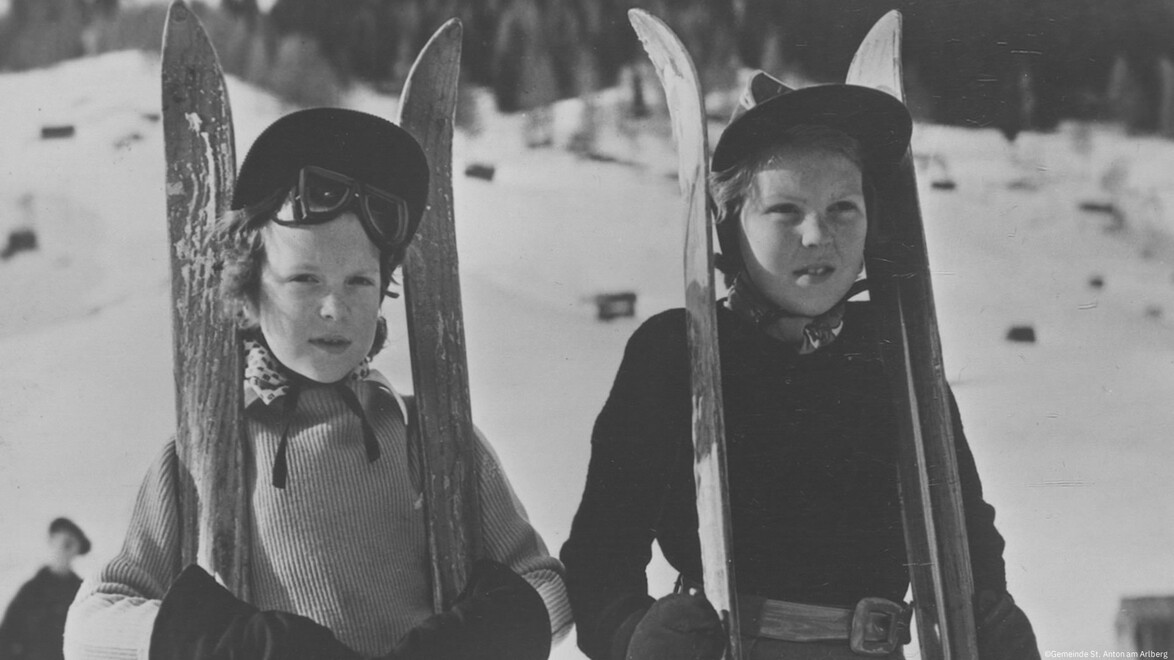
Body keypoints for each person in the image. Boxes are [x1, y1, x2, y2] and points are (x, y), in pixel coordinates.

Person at [559, 72, 1040, 660]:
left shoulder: (896, 353)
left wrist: (989, 616)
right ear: (731, 224)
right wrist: (632, 634)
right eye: (786, 210)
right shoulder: (677, 352)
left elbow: (962, 525)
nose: (819, 235)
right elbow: (600, 554)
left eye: (843, 207)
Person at [63, 108, 571, 659]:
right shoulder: (202, 456)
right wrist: (239, 646)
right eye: (305, 280)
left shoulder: (435, 439)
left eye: (359, 281)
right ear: (250, 293)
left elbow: (549, 588)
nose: (335, 308)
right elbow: (90, 625)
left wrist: (472, 642)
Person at [0, 518, 91, 660]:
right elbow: (6, 638)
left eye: (71, 544)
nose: (66, 550)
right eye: (64, 543)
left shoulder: (83, 593)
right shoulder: (31, 591)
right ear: (51, 541)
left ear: (78, 549)